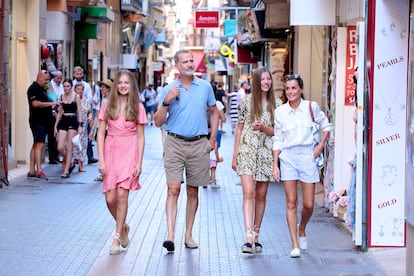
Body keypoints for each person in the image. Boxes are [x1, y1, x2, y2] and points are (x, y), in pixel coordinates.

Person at [154, 49, 219, 252]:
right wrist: (167, 101)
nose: (190, 64)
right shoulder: (169, 89)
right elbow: (157, 122)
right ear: (177, 66)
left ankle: (188, 234)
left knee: (193, 190)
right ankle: (170, 235)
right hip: (174, 143)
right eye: (185, 61)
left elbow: (215, 112)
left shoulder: (205, 87)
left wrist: (213, 138)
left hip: (199, 144)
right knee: (173, 189)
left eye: (192, 61)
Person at [272, 74, 332, 258]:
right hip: (288, 157)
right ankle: (294, 243)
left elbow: (327, 126)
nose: (290, 92)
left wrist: (320, 145)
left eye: (294, 88)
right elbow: (277, 139)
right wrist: (275, 165)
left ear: (301, 89)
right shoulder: (280, 112)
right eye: (288, 88)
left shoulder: (310, 107)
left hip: (307, 157)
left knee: (308, 204)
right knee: (291, 203)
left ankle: (302, 227)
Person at [96, 70, 147, 255]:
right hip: (111, 150)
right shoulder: (108, 106)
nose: (123, 85)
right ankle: (123, 226)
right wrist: (101, 159)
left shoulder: (138, 107)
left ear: (131, 86)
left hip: (129, 150)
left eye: (126, 82)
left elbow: (141, 136)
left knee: (122, 196)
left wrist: (139, 162)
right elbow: (100, 133)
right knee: (110, 199)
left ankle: (116, 238)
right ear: (116, 86)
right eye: (120, 83)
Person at [232, 67, 278, 254]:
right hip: (247, 151)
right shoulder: (246, 102)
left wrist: (264, 128)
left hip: (266, 152)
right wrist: (235, 155)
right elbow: (239, 129)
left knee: (261, 195)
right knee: (248, 192)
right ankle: (248, 236)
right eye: (263, 79)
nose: (266, 82)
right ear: (256, 82)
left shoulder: (277, 105)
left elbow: (278, 133)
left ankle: (257, 234)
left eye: (269, 79)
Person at [27, 70, 60, 180]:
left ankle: (32, 169)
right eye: (46, 80)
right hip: (38, 121)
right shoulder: (33, 88)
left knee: (36, 144)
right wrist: (52, 103)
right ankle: (39, 170)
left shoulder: (42, 88)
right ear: (39, 77)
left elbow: (49, 97)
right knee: (40, 144)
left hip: (44, 121)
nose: (47, 82)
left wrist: (53, 104)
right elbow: (35, 104)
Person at [54, 79, 82, 178]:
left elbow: (79, 110)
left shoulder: (76, 96)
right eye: (64, 86)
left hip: (73, 120)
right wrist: (55, 125)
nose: (66, 88)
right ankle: (70, 161)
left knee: (69, 146)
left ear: (71, 86)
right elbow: (60, 111)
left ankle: (66, 170)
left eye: (67, 86)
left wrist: (80, 125)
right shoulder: (61, 96)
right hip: (63, 120)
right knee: (60, 147)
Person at [72, 66, 98, 164]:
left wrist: (83, 102)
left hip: (84, 112)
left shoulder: (86, 85)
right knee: (76, 136)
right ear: (74, 74)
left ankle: (90, 156)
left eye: (80, 74)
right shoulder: (72, 84)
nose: (79, 75)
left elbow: (90, 98)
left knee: (87, 136)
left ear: (83, 74)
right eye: (77, 74)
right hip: (75, 113)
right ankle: (75, 157)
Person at [90, 79, 113, 182]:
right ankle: (104, 173)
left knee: (109, 152)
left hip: (110, 130)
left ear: (108, 89)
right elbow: (97, 117)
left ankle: (108, 173)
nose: (101, 89)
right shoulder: (101, 100)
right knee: (102, 152)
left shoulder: (113, 101)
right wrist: (92, 131)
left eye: (103, 87)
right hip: (101, 129)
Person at [72, 83, 92, 172]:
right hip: (73, 124)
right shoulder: (72, 100)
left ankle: (81, 164)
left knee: (83, 144)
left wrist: (90, 116)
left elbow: (89, 111)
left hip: (83, 126)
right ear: (75, 90)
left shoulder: (85, 100)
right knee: (73, 144)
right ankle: (70, 162)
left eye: (81, 89)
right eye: (78, 89)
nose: (80, 91)